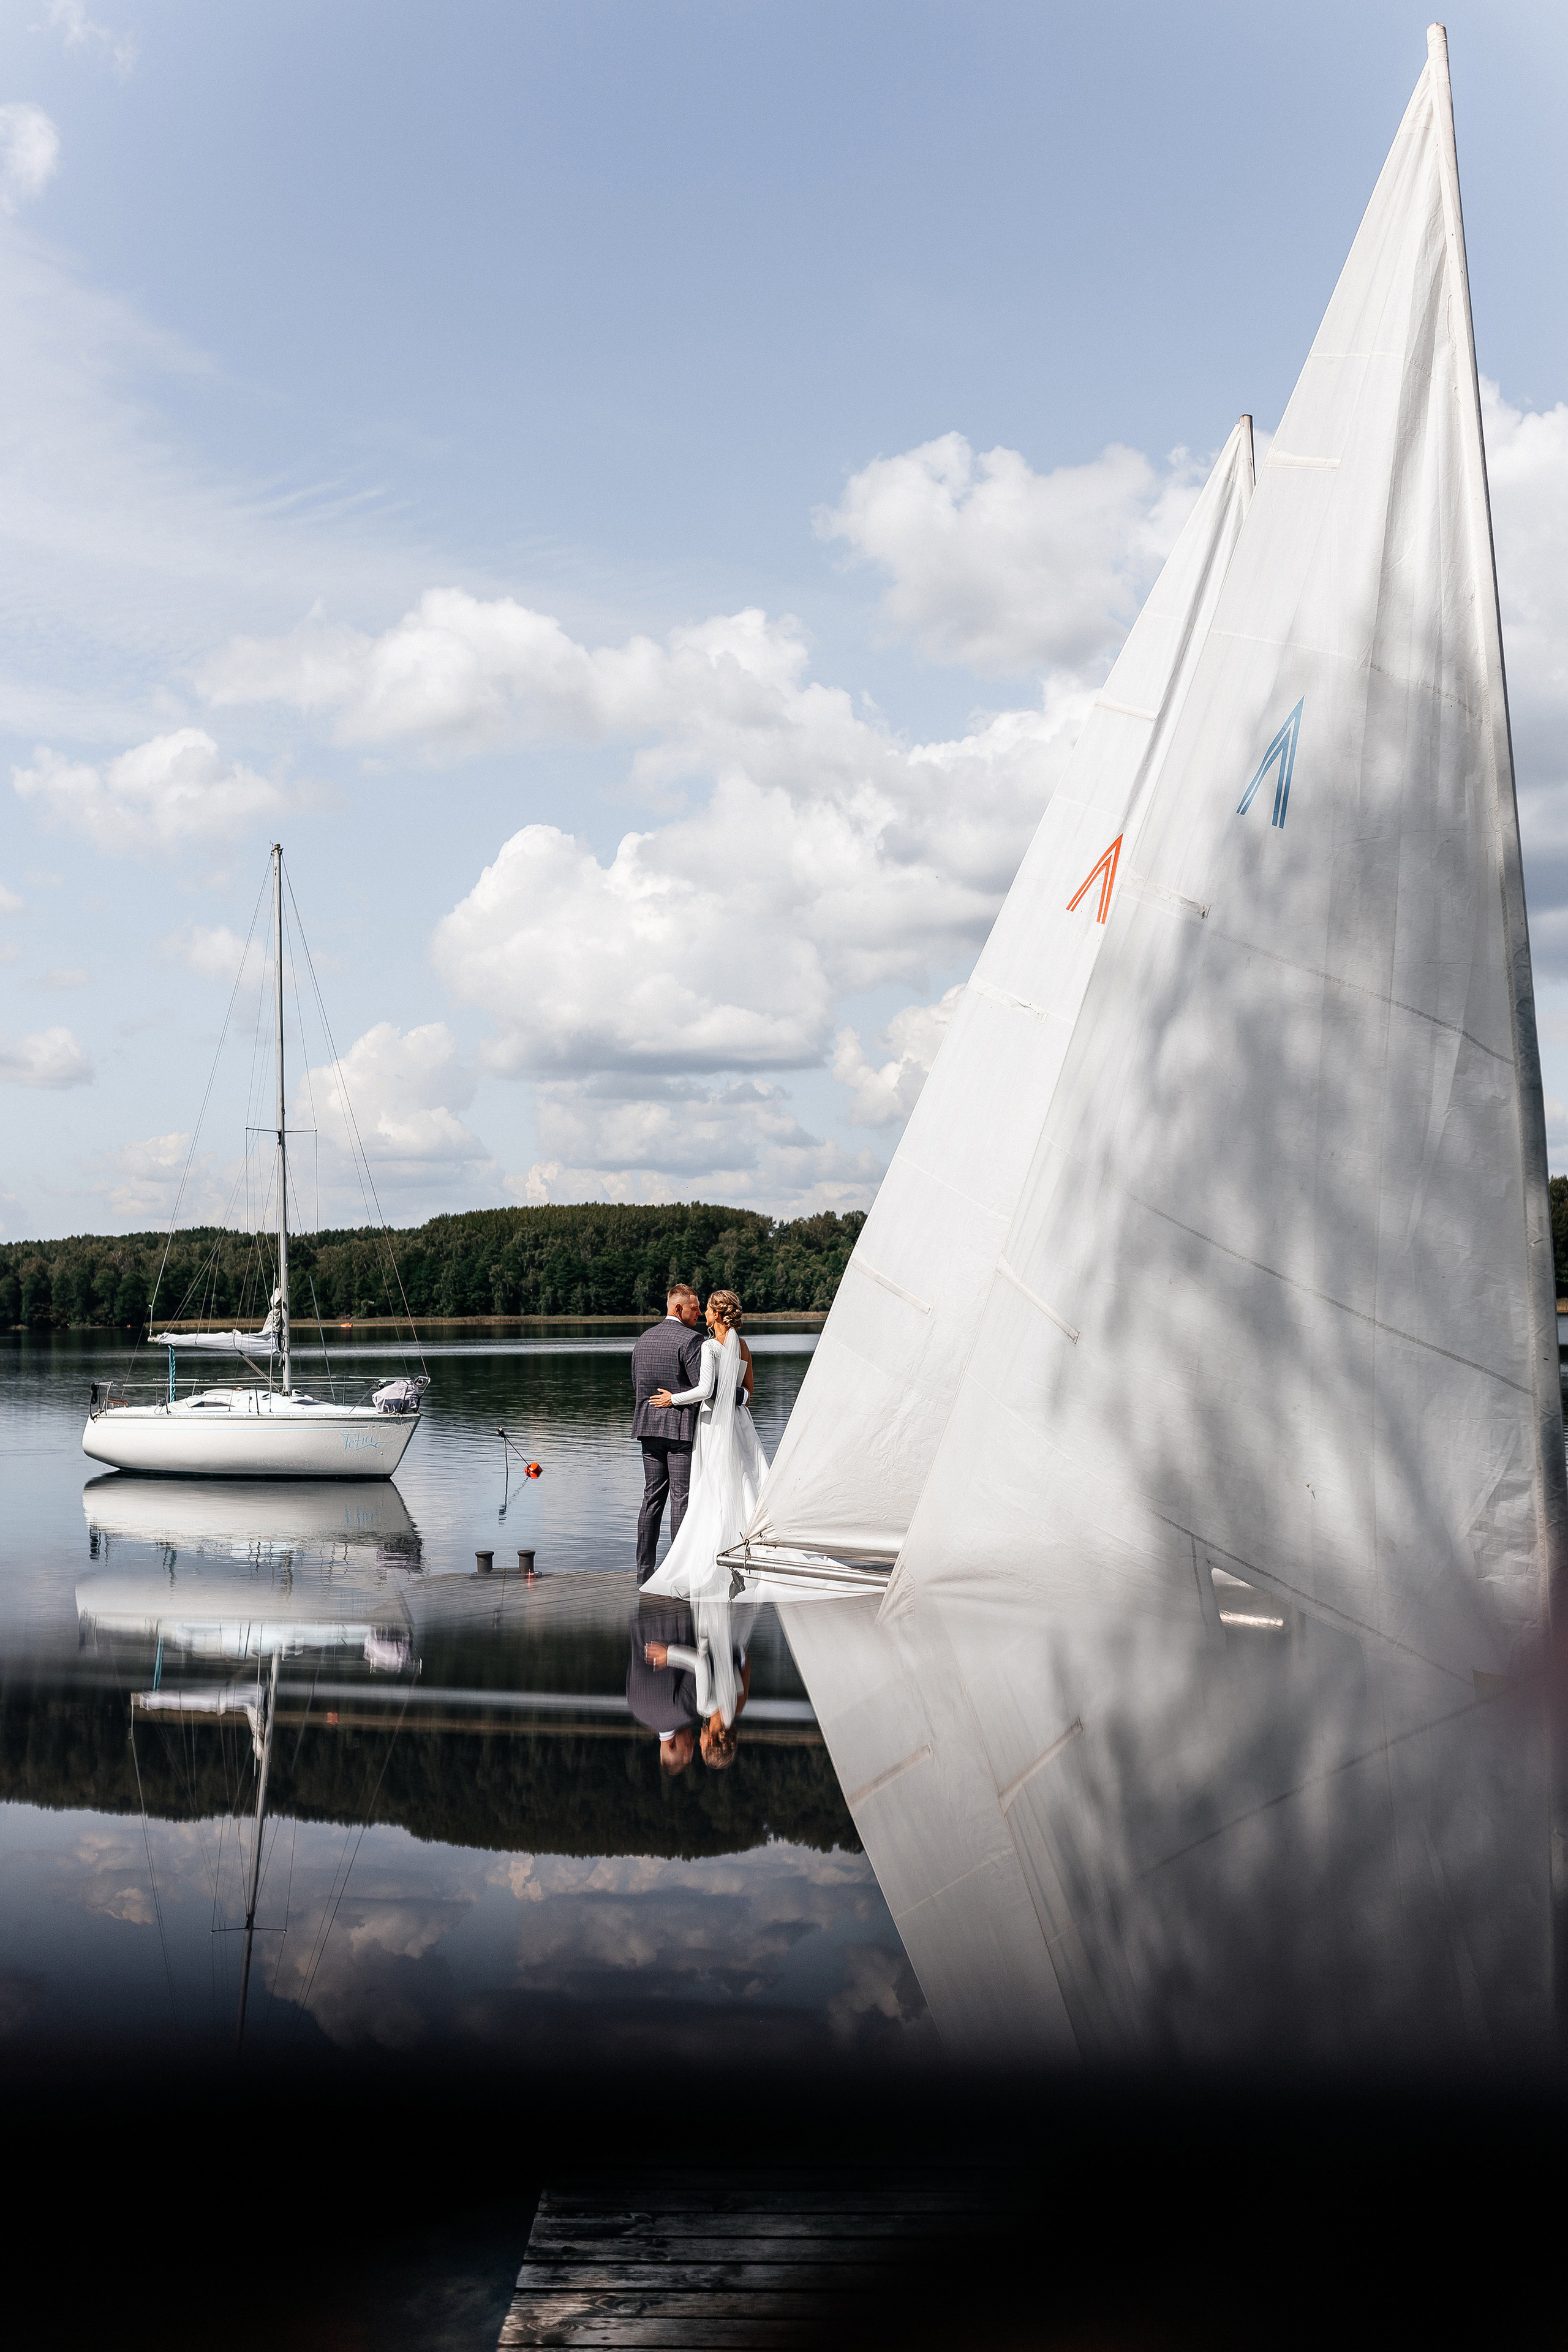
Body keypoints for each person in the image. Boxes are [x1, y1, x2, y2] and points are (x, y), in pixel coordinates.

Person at [639, 1289, 766, 1603]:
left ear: (717, 1315)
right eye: (698, 1309)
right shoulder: (742, 1345)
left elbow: (705, 1390)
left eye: (707, 1310)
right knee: (741, 1482)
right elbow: (748, 1391)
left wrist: (672, 1399)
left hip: (702, 1425)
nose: (702, 1315)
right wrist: (735, 1399)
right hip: (737, 1422)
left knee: (699, 1491)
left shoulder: (704, 1345)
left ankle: (662, 1568)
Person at [630, 1284, 706, 1583]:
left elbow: (638, 1384)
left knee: (652, 1497)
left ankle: (644, 1571)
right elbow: (703, 1390)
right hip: (679, 1431)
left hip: (648, 1429)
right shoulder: (691, 1340)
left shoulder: (643, 1339)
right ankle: (679, 1572)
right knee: (681, 1498)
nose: (699, 1313)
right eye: (695, 1308)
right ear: (678, 1309)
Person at [625, 1597, 703, 1773]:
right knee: (649, 1576)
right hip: (644, 1618)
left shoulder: (686, 1712)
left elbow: (699, 1666)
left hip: (678, 1619)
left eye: (690, 1745)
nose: (694, 1739)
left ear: (672, 1746)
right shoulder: (636, 1710)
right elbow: (633, 1659)